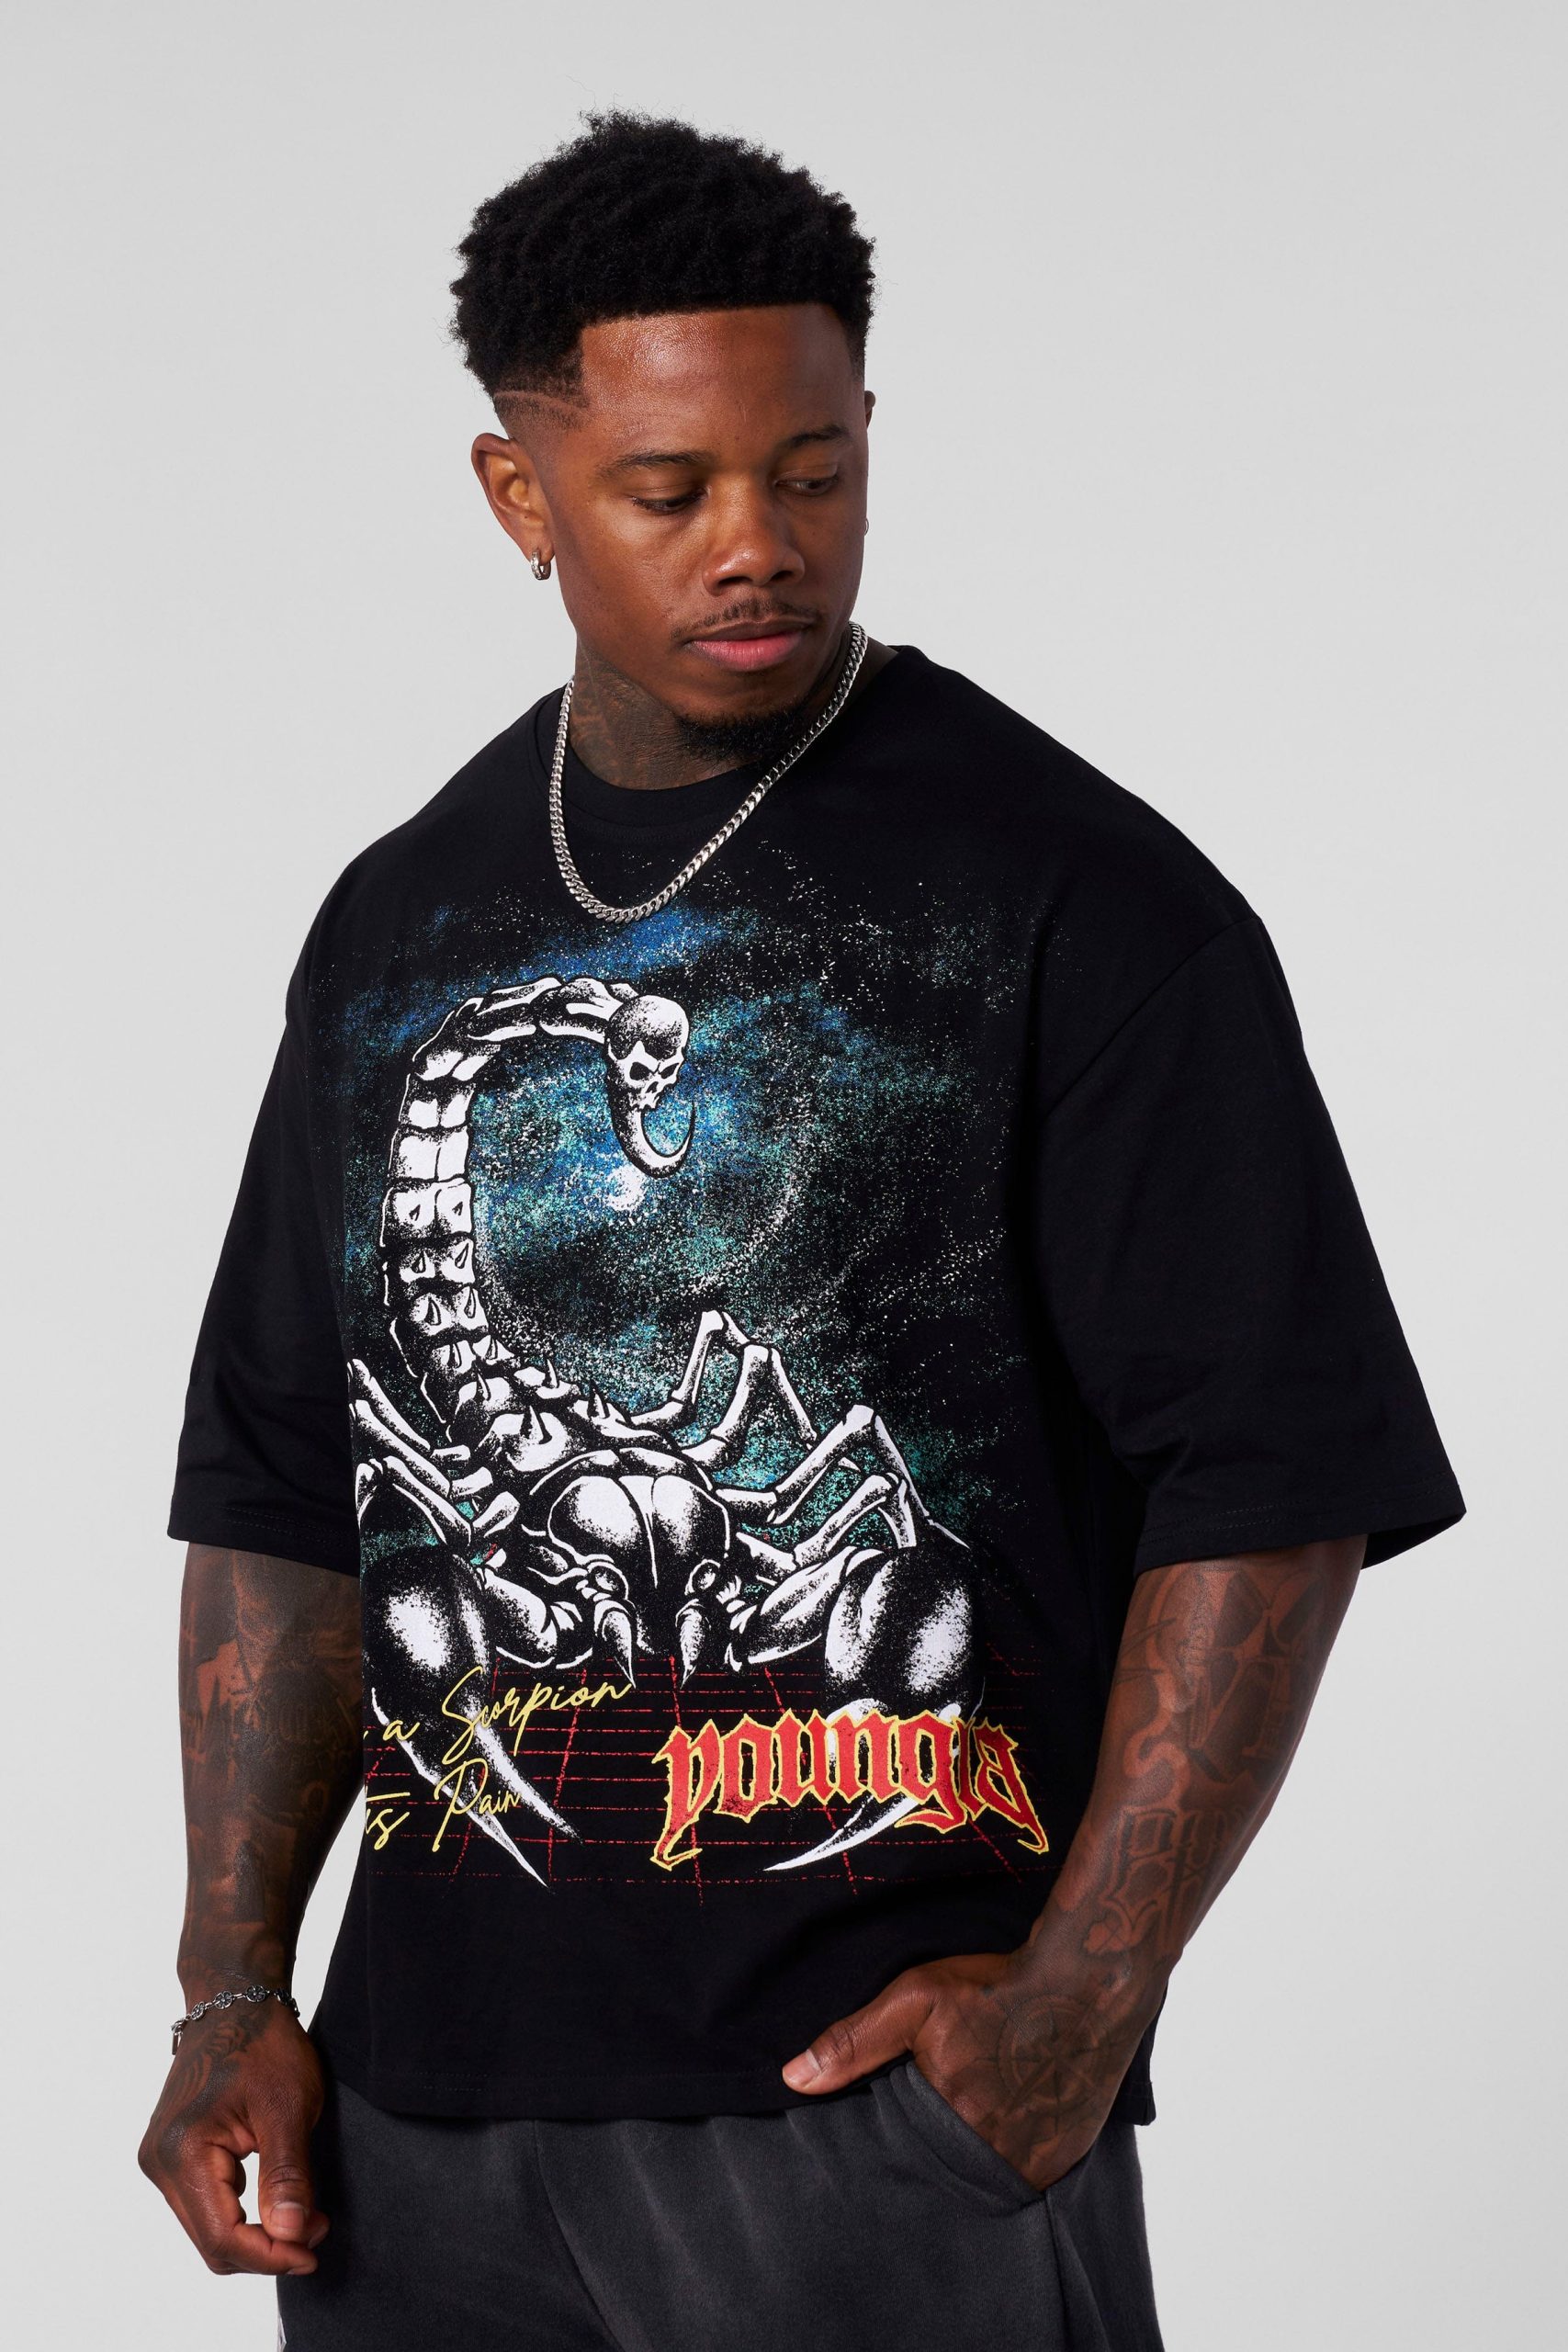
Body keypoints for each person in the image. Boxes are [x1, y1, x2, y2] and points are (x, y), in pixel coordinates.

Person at [140, 114, 1463, 2352]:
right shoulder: (397, 919)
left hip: (867, 2121)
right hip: (419, 2133)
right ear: (520, 495)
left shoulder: (1079, 896)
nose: (757, 542)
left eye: (814, 470)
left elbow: (1268, 1474)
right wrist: (229, 1991)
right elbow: (284, 1483)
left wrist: (1079, 1997)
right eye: (667, 489)